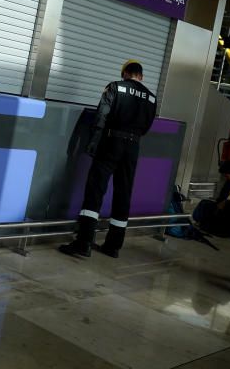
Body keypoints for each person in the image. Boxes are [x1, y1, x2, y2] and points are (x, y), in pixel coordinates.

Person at [59, 59, 157, 258]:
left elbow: (101, 116)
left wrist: (93, 142)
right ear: (141, 77)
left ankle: (83, 242)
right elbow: (147, 127)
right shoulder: (151, 98)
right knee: (124, 193)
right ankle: (113, 246)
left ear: (124, 74)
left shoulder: (115, 87)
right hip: (133, 147)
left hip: (112, 142)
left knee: (95, 190)